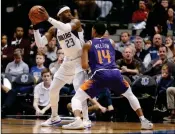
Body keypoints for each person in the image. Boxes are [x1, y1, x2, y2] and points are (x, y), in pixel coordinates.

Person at [62, 23, 153, 130]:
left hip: (100, 74)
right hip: (115, 73)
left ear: (94, 31)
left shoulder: (88, 44)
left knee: (77, 98)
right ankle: (143, 120)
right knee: (130, 95)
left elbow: (84, 65)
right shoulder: (111, 42)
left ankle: (78, 120)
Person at [29, 5, 101, 127]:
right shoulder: (54, 30)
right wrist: (35, 27)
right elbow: (40, 43)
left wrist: (48, 18)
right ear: (59, 15)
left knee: (80, 91)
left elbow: (66, 28)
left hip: (80, 60)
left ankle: (86, 120)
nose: (69, 14)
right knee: (53, 89)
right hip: (67, 62)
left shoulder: (75, 22)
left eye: (69, 11)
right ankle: (54, 117)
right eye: (66, 12)